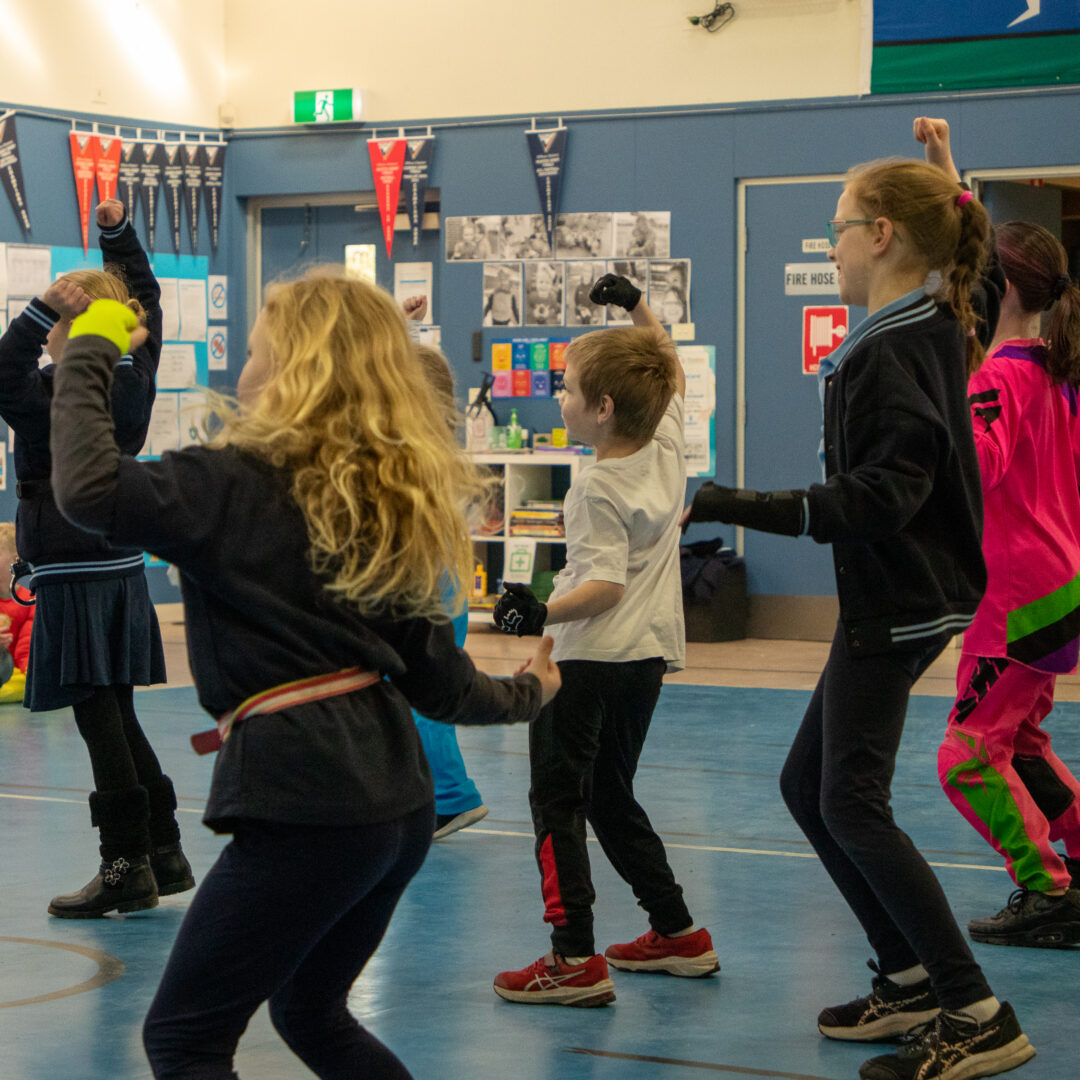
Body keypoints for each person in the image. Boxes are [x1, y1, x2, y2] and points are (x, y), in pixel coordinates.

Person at [48, 271, 560, 1079]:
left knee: (184, 1040)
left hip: (306, 800)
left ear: (290, 368)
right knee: (310, 1014)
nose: (241, 369)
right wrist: (533, 692)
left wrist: (90, 349)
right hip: (396, 807)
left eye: (252, 351)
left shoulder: (227, 481)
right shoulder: (378, 499)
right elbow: (443, 687)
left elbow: (88, 486)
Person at [682, 118, 1034, 1080]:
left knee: (850, 798)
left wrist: (742, 503)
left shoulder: (891, 350)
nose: (827, 244)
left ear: (881, 235)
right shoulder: (931, 320)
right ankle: (911, 971)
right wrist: (951, 185)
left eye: (837, 227)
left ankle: (975, 1010)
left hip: (903, 597)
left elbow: (887, 496)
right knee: (810, 787)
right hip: (906, 596)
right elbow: (986, 274)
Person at [491, 274, 718, 1007]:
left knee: (556, 801)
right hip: (646, 658)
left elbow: (604, 587)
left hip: (586, 662)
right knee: (610, 795)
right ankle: (678, 931)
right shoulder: (666, 442)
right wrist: (638, 309)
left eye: (568, 389)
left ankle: (572, 959)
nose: (560, 400)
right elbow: (672, 365)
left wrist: (537, 616)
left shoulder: (593, 487)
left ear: (604, 407)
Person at [0, 197, 192, 918]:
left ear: (70, 335)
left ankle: (123, 866)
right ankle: (163, 849)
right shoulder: (136, 373)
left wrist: (38, 311)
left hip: (75, 573)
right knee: (119, 712)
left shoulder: (53, 396)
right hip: (117, 564)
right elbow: (145, 298)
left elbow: (0, 368)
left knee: (98, 718)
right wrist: (117, 236)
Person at [938, 220, 1080, 947]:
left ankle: (1047, 889)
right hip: (1059, 589)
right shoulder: (1053, 375)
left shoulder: (998, 378)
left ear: (993, 291)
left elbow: (974, 469)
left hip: (1017, 598)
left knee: (964, 754)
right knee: (1019, 743)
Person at [413, 343, 490, 839]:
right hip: (446, 588)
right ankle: (437, 794)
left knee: (423, 702)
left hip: (431, 591)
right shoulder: (434, 449)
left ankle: (452, 796)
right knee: (421, 697)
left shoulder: (417, 456)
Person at [0, 522, 34, 703]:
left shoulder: (28, 600)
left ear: (14, 561)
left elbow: (26, 645)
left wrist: (29, 668)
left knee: (30, 679)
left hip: (15, 675)